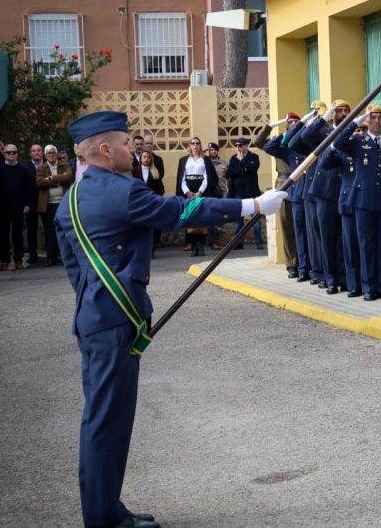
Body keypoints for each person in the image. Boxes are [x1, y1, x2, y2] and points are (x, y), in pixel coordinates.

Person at [55, 111, 286, 528]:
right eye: (127, 142)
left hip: (95, 318)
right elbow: (178, 210)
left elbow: (75, 268)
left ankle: (107, 509)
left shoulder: (74, 196)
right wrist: (250, 204)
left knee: (104, 419)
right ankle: (103, 520)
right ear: (105, 150)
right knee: (107, 422)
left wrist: (98, 301)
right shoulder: (121, 191)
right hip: (115, 322)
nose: (135, 148)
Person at [333, 104, 381, 301]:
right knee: (366, 245)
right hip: (363, 202)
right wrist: (356, 120)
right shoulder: (357, 142)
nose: (376, 121)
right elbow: (338, 141)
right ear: (367, 120)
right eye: (372, 117)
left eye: (380, 117)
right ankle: (368, 287)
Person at [298, 100, 350, 293]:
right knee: (327, 239)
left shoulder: (353, 132)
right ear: (333, 114)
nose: (343, 113)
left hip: (344, 191)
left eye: (346, 111)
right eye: (339, 111)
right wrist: (323, 118)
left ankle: (345, 278)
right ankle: (330, 279)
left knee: (343, 239)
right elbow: (304, 136)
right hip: (324, 192)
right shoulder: (323, 133)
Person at [265, 110, 318, 281]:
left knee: (314, 235)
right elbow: (268, 147)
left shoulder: (314, 150)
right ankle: (302, 269)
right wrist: (299, 124)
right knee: (300, 234)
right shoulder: (290, 151)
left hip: (311, 196)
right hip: (296, 196)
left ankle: (315, 269)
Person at [257, 112, 302, 278]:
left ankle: (304, 263)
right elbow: (258, 142)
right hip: (284, 185)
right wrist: (273, 126)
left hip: (301, 184)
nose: (294, 125)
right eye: (291, 122)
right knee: (287, 225)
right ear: (286, 125)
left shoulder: (302, 141)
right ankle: (292, 265)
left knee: (302, 227)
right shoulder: (280, 142)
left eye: (297, 122)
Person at [0, 143, 36, 271]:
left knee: (18, 234)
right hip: (2, 208)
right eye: (8, 152)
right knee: (3, 235)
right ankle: (5, 260)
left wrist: (28, 204)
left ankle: (18, 259)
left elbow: (30, 189)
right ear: (3, 154)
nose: (11, 154)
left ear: (17, 153)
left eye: (14, 152)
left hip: (19, 207)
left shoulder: (24, 170)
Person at [175, 137, 220, 257]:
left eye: (197, 143)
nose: (195, 146)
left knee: (202, 218)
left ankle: (201, 246)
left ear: (200, 145)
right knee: (190, 217)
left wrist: (200, 192)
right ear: (189, 145)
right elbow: (181, 178)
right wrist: (187, 192)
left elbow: (208, 178)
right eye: (192, 143)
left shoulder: (205, 160)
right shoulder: (183, 160)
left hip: (202, 191)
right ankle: (193, 245)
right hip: (188, 192)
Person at [35, 145, 74, 267]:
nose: (51, 155)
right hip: (48, 204)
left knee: (65, 230)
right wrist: (58, 180)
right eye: (48, 153)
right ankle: (51, 257)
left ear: (56, 154)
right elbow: (40, 183)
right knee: (49, 231)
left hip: (63, 203)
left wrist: (51, 178)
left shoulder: (64, 165)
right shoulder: (41, 168)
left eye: (52, 153)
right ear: (45, 155)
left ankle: (64, 256)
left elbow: (68, 177)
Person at [226, 136, 263, 250]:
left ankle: (259, 242)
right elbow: (229, 173)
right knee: (238, 221)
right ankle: (238, 243)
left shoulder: (254, 157)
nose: (238, 147)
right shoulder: (233, 159)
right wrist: (243, 169)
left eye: (240, 145)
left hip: (252, 193)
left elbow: (253, 168)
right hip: (238, 193)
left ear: (246, 146)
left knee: (255, 220)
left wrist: (242, 163)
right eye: (236, 145)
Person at [206, 142, 229, 250]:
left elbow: (229, 178)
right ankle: (212, 241)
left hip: (222, 193)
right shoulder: (205, 163)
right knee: (210, 217)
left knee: (221, 218)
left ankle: (221, 240)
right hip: (210, 192)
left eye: (215, 149)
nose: (213, 152)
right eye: (211, 150)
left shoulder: (224, 163)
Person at [27, 144, 45, 265]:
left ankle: (52, 254)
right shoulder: (25, 167)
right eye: (34, 151)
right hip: (31, 202)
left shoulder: (48, 165)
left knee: (49, 227)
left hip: (46, 200)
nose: (36, 153)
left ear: (42, 152)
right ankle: (33, 256)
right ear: (30, 154)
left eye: (39, 150)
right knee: (31, 229)